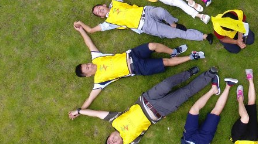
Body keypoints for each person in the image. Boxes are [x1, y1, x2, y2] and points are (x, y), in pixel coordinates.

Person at [68, 66, 217, 144]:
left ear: (111, 134)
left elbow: (96, 114)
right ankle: (209, 74)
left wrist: (79, 111)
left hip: (147, 98)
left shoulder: (114, 120)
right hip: (160, 110)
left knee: (167, 84)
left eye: (109, 140)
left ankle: (188, 73)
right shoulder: (131, 142)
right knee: (185, 93)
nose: (112, 141)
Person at [72, 21, 205, 109]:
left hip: (133, 54)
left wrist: (81, 30)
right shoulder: (99, 81)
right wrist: (79, 110)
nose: (89, 65)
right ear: (88, 75)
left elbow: (88, 43)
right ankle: (191, 57)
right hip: (138, 68)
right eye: (87, 68)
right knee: (165, 62)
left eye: (87, 64)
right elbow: (90, 98)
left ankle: (173, 52)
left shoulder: (96, 58)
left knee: (152, 45)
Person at [82, 0, 214, 44]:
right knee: (175, 34)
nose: (99, 10)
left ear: (103, 5)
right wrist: (80, 25)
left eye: (99, 7)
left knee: (161, 11)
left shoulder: (115, 2)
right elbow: (91, 30)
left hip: (147, 11)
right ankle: (203, 36)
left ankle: (173, 23)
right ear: (101, 16)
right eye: (98, 13)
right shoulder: (109, 22)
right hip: (146, 26)